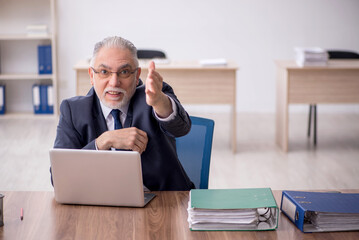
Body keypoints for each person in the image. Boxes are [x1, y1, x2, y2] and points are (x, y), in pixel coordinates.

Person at [53, 36, 194, 191]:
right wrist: (102, 142)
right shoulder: (72, 110)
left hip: (163, 201)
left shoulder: (153, 97)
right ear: (92, 76)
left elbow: (181, 128)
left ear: (137, 75)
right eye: (104, 71)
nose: (114, 82)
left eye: (124, 72)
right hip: (101, 201)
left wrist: (160, 101)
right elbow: (59, 176)